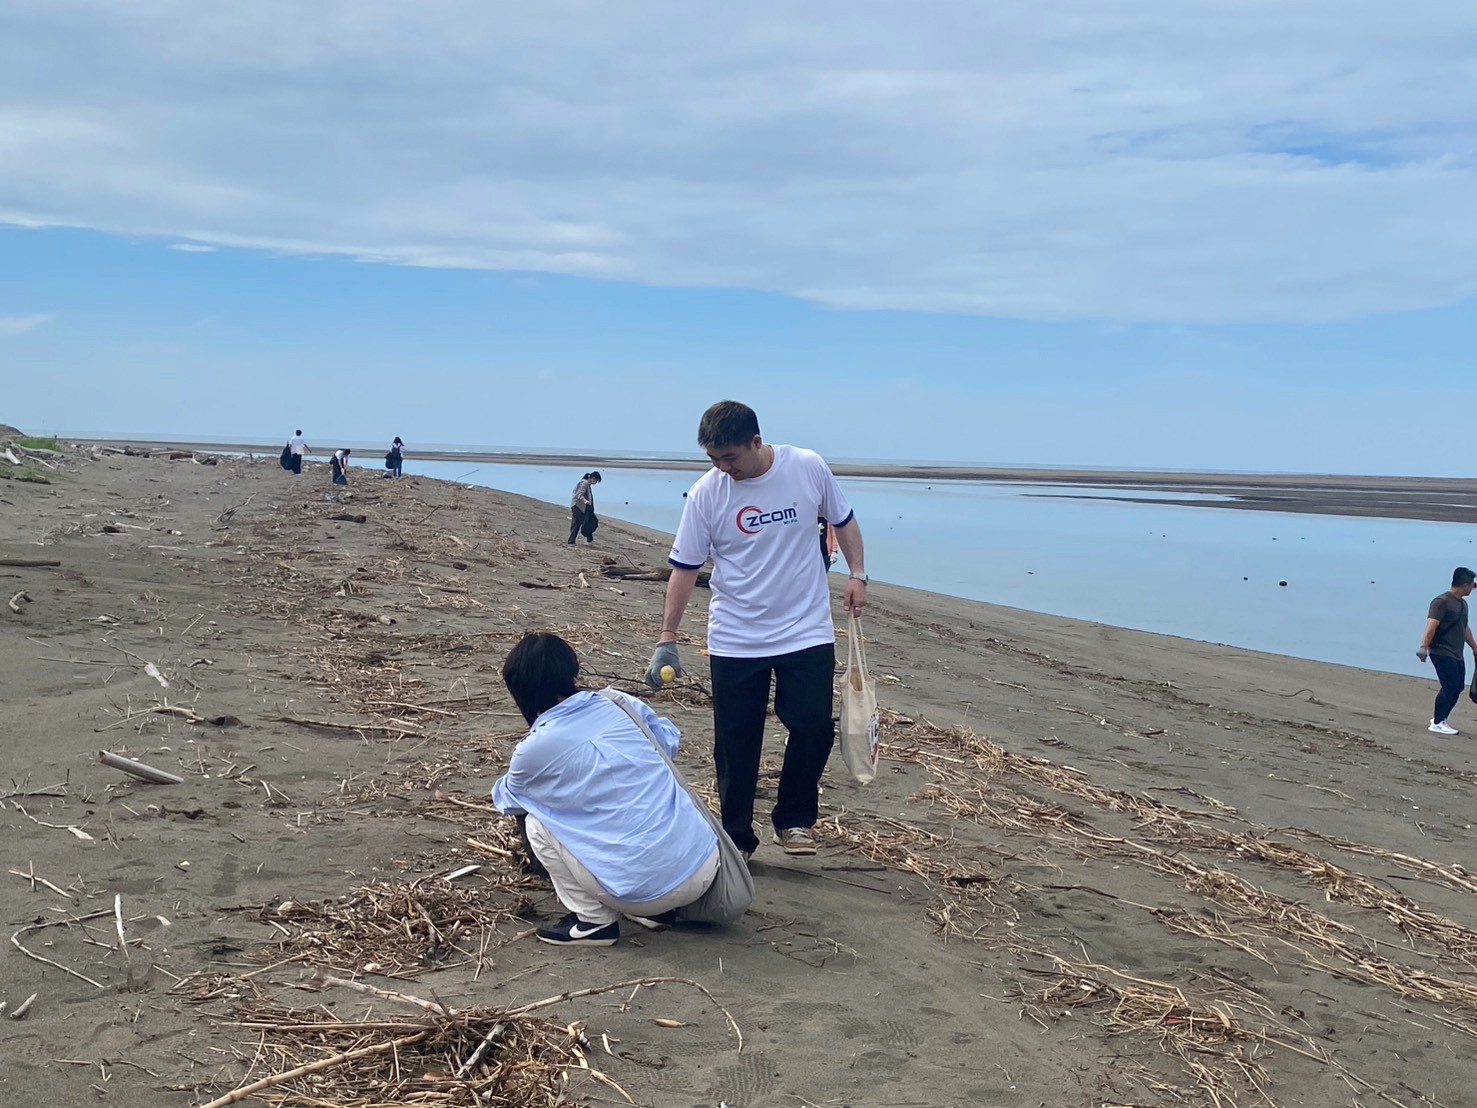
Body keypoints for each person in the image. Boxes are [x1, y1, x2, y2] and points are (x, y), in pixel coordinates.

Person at [645, 400, 867, 859]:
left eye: (730, 457)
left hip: (806, 629)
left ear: (756, 442)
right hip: (736, 635)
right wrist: (668, 637)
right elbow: (685, 569)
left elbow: (843, 520)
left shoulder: (807, 467)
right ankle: (737, 838)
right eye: (713, 459)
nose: (722, 468)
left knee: (813, 726)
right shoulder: (706, 494)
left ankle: (794, 821)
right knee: (736, 742)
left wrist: (858, 574)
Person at [491, 632, 721, 946]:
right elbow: (667, 742)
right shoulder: (619, 702)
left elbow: (508, 800)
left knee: (535, 821)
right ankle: (658, 909)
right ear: (572, 672)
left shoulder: (534, 748)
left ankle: (594, 921)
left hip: (641, 890)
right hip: (705, 865)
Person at [1417, 567, 1477, 735]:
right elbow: (1431, 625)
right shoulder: (1441, 602)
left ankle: (1441, 719)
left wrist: (1474, 647)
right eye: (1472, 585)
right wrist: (1423, 647)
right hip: (1441, 651)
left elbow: (1464, 628)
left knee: (1457, 687)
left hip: (1456, 652)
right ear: (1465, 585)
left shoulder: (1462, 604)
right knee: (1450, 686)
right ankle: (1437, 722)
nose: (1473, 588)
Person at [568, 471, 601, 544]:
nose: (595, 483)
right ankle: (589, 540)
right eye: (596, 481)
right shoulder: (585, 483)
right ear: (593, 478)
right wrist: (585, 501)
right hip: (578, 506)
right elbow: (579, 495)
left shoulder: (586, 484)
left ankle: (571, 541)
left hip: (576, 505)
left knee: (576, 523)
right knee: (587, 523)